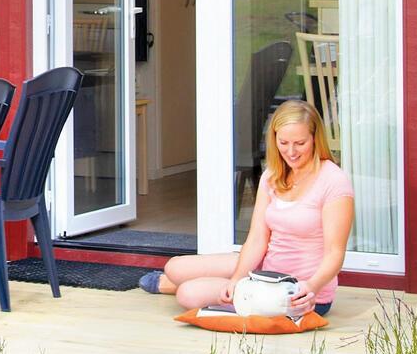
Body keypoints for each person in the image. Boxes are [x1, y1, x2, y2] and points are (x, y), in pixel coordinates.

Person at [141, 98, 354, 317]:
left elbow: (335, 253)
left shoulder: (333, 181)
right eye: (283, 143)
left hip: (296, 289)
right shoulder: (272, 176)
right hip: (266, 268)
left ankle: (179, 286)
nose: (291, 152)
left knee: (187, 294)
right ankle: (200, 282)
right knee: (174, 267)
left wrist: (311, 286)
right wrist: (236, 279)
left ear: (315, 139)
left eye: (300, 143)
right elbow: (257, 238)